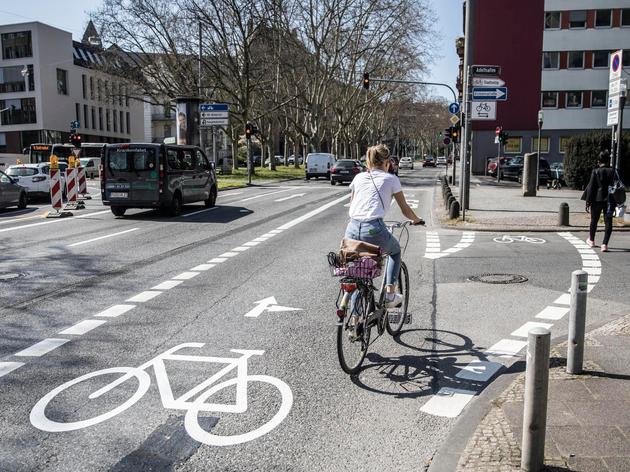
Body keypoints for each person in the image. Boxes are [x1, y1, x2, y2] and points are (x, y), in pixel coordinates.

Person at [345, 144, 424, 307]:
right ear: (387, 162)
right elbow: (405, 209)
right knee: (395, 251)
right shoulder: (391, 179)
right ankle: (390, 295)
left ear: (369, 162)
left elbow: (352, 204)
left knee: (358, 273)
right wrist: (417, 219)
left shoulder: (358, 178)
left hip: (352, 228)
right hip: (374, 228)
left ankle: (354, 323)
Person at [582, 150, 614, 252]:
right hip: (609, 200)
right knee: (608, 221)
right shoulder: (612, 171)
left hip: (597, 199)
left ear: (598, 161)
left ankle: (591, 240)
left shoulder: (595, 171)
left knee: (594, 220)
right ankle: (604, 244)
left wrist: (588, 201)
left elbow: (591, 188)